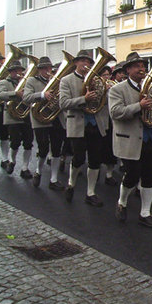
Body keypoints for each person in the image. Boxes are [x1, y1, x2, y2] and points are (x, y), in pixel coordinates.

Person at [110, 52, 152, 228]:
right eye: (137, 66)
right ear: (128, 70)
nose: (142, 69)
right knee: (132, 176)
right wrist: (138, 106)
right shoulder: (117, 89)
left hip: (150, 138)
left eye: (143, 66)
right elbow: (115, 112)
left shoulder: (151, 87)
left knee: (149, 176)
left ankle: (145, 212)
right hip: (130, 139)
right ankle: (122, 201)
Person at [59, 50, 109, 207]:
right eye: (82, 61)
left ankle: (91, 192)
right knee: (78, 158)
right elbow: (63, 103)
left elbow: (105, 104)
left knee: (95, 160)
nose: (86, 64)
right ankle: (71, 184)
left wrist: (106, 92)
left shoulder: (97, 80)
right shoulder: (66, 80)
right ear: (76, 63)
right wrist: (84, 99)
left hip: (96, 124)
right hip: (78, 125)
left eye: (88, 62)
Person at [23, 56, 64, 190]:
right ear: (39, 70)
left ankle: (54, 179)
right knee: (43, 148)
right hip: (40, 119)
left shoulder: (57, 80)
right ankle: (38, 171)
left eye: (48, 68)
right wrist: (42, 95)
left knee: (57, 149)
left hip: (55, 118)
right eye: (44, 68)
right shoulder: (31, 81)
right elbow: (26, 97)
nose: (47, 71)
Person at [0, 60, 34, 178]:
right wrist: (15, 93)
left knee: (28, 142)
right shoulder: (4, 82)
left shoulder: (27, 82)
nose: (18, 73)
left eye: (20, 70)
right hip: (12, 116)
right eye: (15, 71)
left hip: (26, 115)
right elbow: (0, 95)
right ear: (11, 72)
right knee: (15, 142)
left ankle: (25, 168)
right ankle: (12, 161)